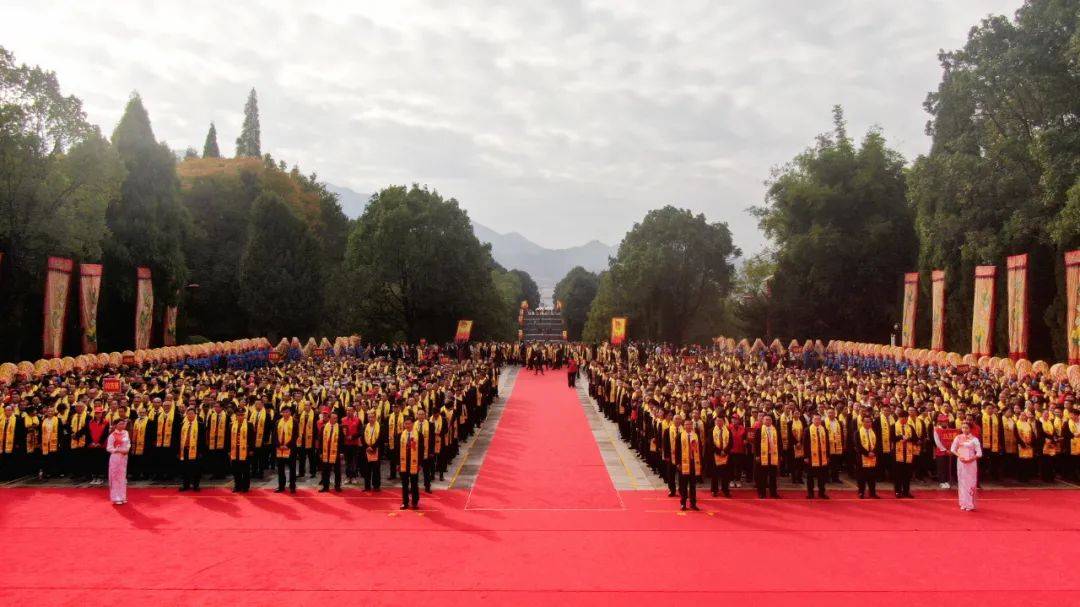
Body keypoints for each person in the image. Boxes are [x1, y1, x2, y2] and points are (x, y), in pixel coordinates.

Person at [950, 421, 983, 511]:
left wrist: (971, 459)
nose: (964, 429)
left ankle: (970, 504)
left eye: (966, 428)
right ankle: (963, 502)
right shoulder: (958, 437)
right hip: (961, 462)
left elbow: (979, 453)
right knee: (961, 481)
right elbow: (953, 449)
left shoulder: (974, 439)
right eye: (963, 428)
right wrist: (959, 456)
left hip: (971, 463)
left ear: (970, 429)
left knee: (970, 482)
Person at [674, 418, 700, 510]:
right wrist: (677, 463)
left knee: (693, 485)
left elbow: (698, 449)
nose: (688, 426)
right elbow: (676, 451)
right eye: (686, 424)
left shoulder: (695, 436)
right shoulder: (679, 436)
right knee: (683, 485)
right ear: (684, 425)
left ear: (692, 425)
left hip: (693, 463)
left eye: (690, 424)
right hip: (683, 463)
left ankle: (693, 503)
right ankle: (683, 503)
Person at [803, 414, 829, 499]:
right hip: (811, 456)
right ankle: (810, 493)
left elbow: (827, 443)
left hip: (822, 456)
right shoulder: (807, 430)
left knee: (822, 476)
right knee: (810, 476)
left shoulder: (824, 429)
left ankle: (822, 492)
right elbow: (805, 444)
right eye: (815, 419)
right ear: (812, 420)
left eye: (819, 419)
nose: (817, 421)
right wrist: (806, 456)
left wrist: (828, 455)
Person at [229, 408, 254, 493]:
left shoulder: (249, 425)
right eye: (239, 415)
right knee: (235, 469)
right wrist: (229, 450)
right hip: (234, 450)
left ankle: (245, 486)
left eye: (242, 415)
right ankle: (237, 486)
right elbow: (227, 439)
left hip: (245, 450)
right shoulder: (231, 425)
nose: (240, 416)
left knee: (245, 469)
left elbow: (252, 438)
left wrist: (251, 449)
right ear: (236, 415)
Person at [854, 415, 880, 498]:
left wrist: (874, 452)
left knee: (872, 476)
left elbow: (878, 444)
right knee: (861, 476)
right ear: (863, 422)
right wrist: (867, 453)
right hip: (862, 457)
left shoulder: (874, 432)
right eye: (866, 422)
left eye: (869, 422)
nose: (868, 423)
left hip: (873, 457)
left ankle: (872, 492)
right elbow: (858, 446)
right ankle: (861, 492)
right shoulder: (858, 432)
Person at [106, 419, 130, 505]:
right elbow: (109, 448)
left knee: (122, 477)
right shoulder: (112, 435)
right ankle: (116, 497)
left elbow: (128, 443)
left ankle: (122, 496)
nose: (122, 426)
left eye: (123, 424)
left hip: (124, 457)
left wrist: (127, 449)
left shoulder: (126, 433)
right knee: (115, 476)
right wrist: (119, 450)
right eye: (120, 424)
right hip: (116, 457)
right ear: (115, 425)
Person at [178, 407, 202, 492]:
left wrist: (201, 451)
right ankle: (186, 485)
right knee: (185, 468)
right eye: (188, 414)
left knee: (195, 468)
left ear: (195, 415)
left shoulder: (200, 424)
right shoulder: (182, 424)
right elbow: (179, 438)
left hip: (195, 450)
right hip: (184, 449)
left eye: (192, 413)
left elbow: (202, 439)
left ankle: (196, 485)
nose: (190, 415)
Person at [756, 415, 780, 499]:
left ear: (772, 421)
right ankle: (761, 493)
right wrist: (757, 455)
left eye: (769, 420)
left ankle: (773, 493)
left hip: (773, 455)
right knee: (762, 475)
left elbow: (779, 443)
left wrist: (780, 455)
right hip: (763, 455)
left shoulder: (775, 430)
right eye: (766, 419)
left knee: (773, 475)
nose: (768, 421)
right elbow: (756, 444)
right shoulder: (759, 430)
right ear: (762, 420)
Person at [399, 416, 420, 510]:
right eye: (405, 423)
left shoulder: (418, 435)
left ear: (412, 424)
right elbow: (397, 450)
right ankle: (405, 502)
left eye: (409, 423)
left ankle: (415, 502)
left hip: (414, 462)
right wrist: (398, 463)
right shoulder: (401, 435)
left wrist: (419, 463)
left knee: (414, 483)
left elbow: (421, 449)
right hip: (404, 462)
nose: (407, 425)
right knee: (404, 483)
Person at [274, 406, 297, 494]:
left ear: (290, 413)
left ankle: (292, 486)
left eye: (287, 412)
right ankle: (281, 486)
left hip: (290, 448)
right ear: (281, 413)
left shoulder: (294, 422)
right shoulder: (278, 422)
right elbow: (275, 435)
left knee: (292, 468)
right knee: (280, 469)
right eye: (284, 412)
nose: (286, 414)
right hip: (280, 448)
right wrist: (279, 445)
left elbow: (295, 435)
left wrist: (287, 445)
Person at [319, 411, 343, 493]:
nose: (335, 419)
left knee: (337, 470)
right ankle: (325, 486)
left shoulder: (340, 427)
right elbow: (320, 441)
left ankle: (337, 486)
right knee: (325, 470)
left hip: (336, 452)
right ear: (329, 418)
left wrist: (341, 452)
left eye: (336, 418)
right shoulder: (324, 427)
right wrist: (320, 452)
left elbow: (342, 441)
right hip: (326, 452)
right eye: (333, 418)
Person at [362, 410, 382, 491]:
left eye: (372, 417)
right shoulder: (365, 426)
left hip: (376, 449)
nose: (371, 419)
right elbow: (362, 438)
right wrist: (367, 446)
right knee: (367, 469)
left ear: (375, 417)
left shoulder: (380, 426)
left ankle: (376, 486)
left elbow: (381, 438)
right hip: (367, 450)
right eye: (369, 417)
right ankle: (367, 486)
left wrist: (373, 447)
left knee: (376, 469)